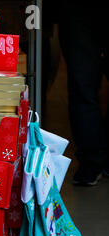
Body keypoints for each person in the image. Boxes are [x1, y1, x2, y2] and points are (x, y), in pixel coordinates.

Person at [58, 0, 109, 186]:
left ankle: (93, 160)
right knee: (81, 84)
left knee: (82, 86)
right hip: (77, 9)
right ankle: (91, 161)